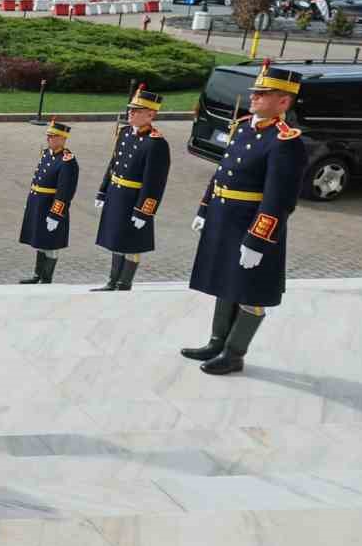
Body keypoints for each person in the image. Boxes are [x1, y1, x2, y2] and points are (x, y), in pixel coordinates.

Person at [183, 63, 306, 375]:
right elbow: (221, 172)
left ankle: (234, 352)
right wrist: (204, 208)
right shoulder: (243, 127)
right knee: (226, 281)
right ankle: (216, 342)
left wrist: (257, 240)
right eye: (255, 92)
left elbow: (278, 200)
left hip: (250, 224)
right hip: (224, 218)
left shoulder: (285, 142)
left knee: (250, 289)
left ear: (283, 101)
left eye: (263, 94)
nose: (254, 97)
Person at [92, 85, 170, 292]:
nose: (131, 113)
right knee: (116, 238)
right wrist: (103, 190)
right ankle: (112, 281)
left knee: (132, 241)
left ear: (150, 114)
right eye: (131, 109)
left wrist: (144, 210)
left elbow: (155, 183)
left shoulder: (156, 144)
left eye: (136, 111)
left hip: (134, 198)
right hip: (117, 193)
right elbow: (114, 163)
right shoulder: (125, 133)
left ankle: (124, 282)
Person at [17, 120, 79, 284]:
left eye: (52, 136)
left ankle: (46, 278)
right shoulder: (46, 154)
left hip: (51, 207)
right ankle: (38, 274)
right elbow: (37, 179)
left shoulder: (67, 161)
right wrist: (31, 201)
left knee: (51, 244)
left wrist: (56, 214)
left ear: (63, 139)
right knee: (40, 240)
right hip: (38, 204)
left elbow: (65, 192)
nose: (48, 139)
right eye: (48, 136)